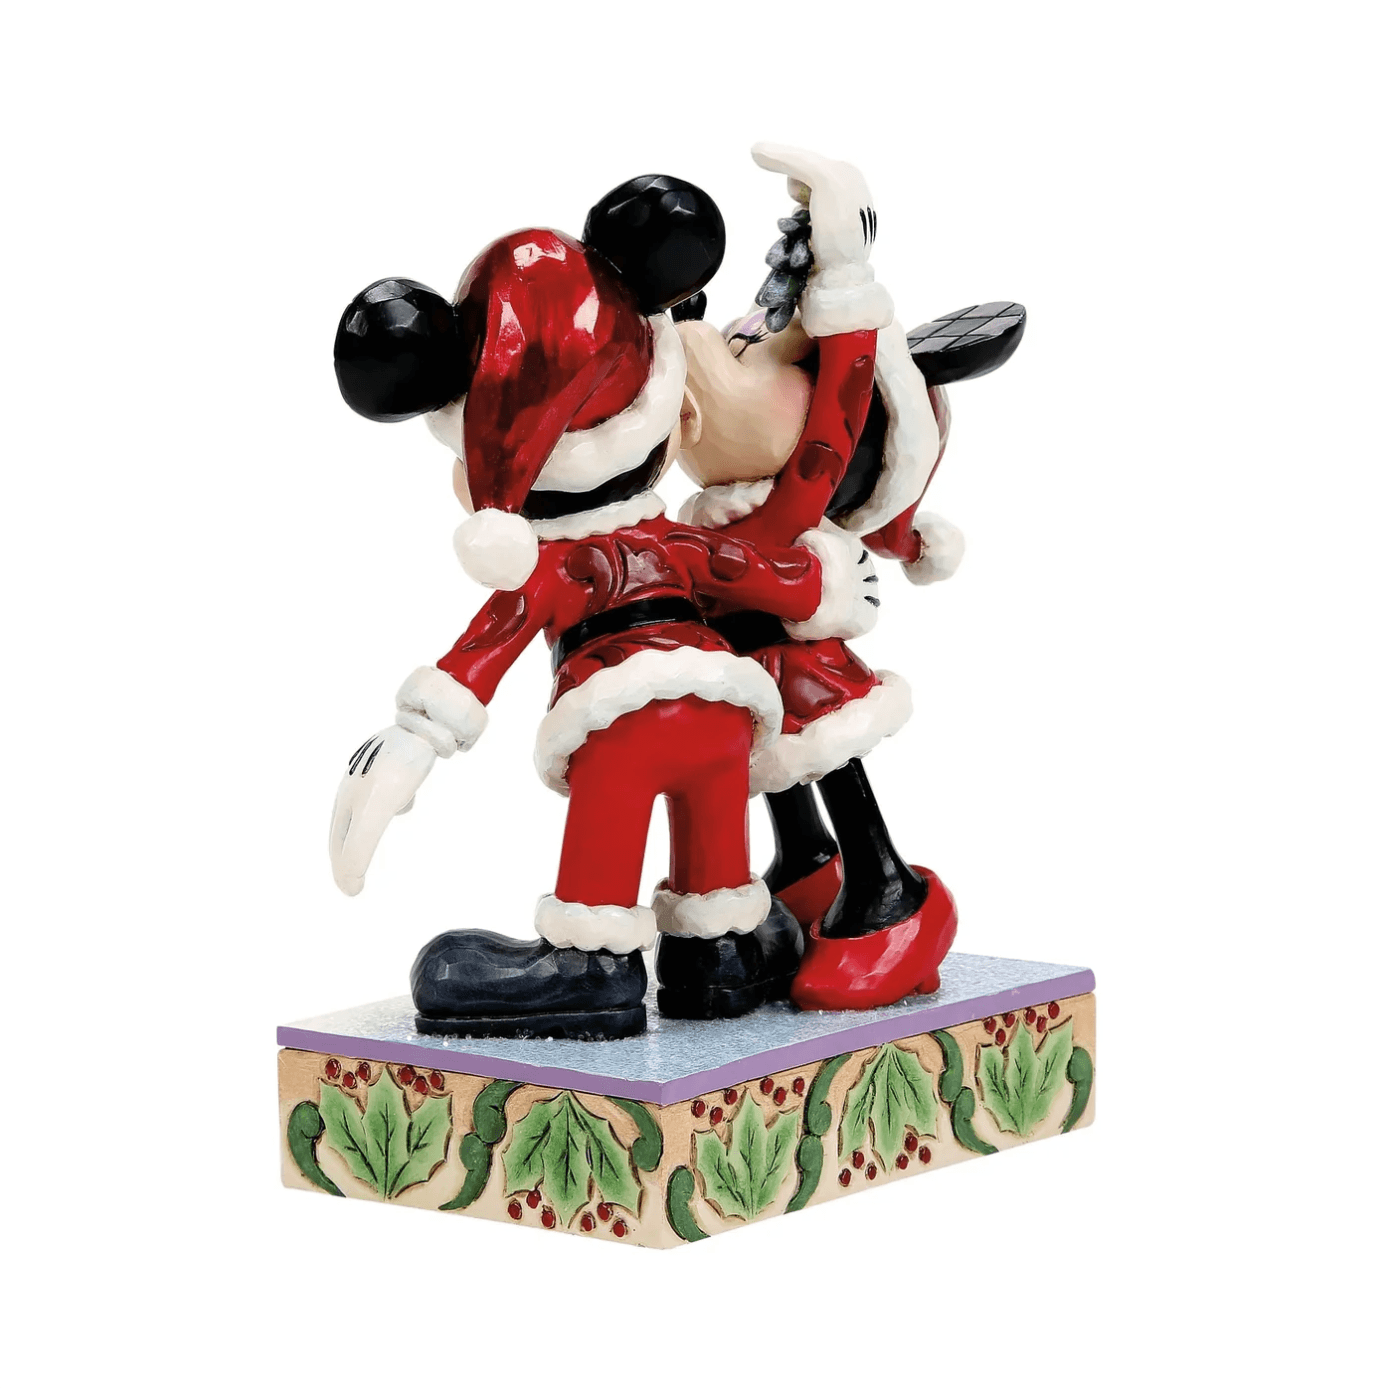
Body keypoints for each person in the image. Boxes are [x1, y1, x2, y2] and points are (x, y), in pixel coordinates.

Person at [328, 176, 877, 1040]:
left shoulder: (549, 564)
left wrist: (409, 743)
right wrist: (827, 585)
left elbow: (486, 649)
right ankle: (720, 952)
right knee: (714, 847)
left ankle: (592, 961)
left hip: (620, 724)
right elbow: (758, 573)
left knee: (613, 801)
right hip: (723, 713)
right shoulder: (675, 539)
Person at [671, 143, 1017, 1009]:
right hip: (744, 660)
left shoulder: (800, 492)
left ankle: (885, 886)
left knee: (823, 751)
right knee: (767, 757)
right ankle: (805, 868)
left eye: (750, 364)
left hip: (798, 650)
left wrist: (844, 264)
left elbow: (843, 391)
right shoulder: (714, 509)